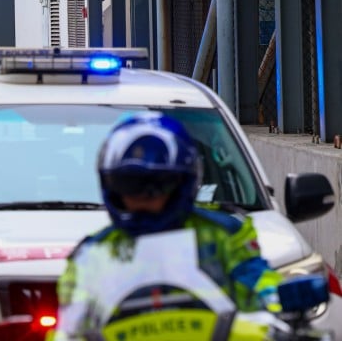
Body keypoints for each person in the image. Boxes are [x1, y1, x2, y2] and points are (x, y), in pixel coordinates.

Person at [52, 113, 282, 338]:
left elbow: (262, 288)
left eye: (157, 185)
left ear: (183, 183)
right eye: (128, 184)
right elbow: (72, 324)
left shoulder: (225, 234)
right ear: (110, 186)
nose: (142, 196)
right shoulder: (93, 253)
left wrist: (278, 305)